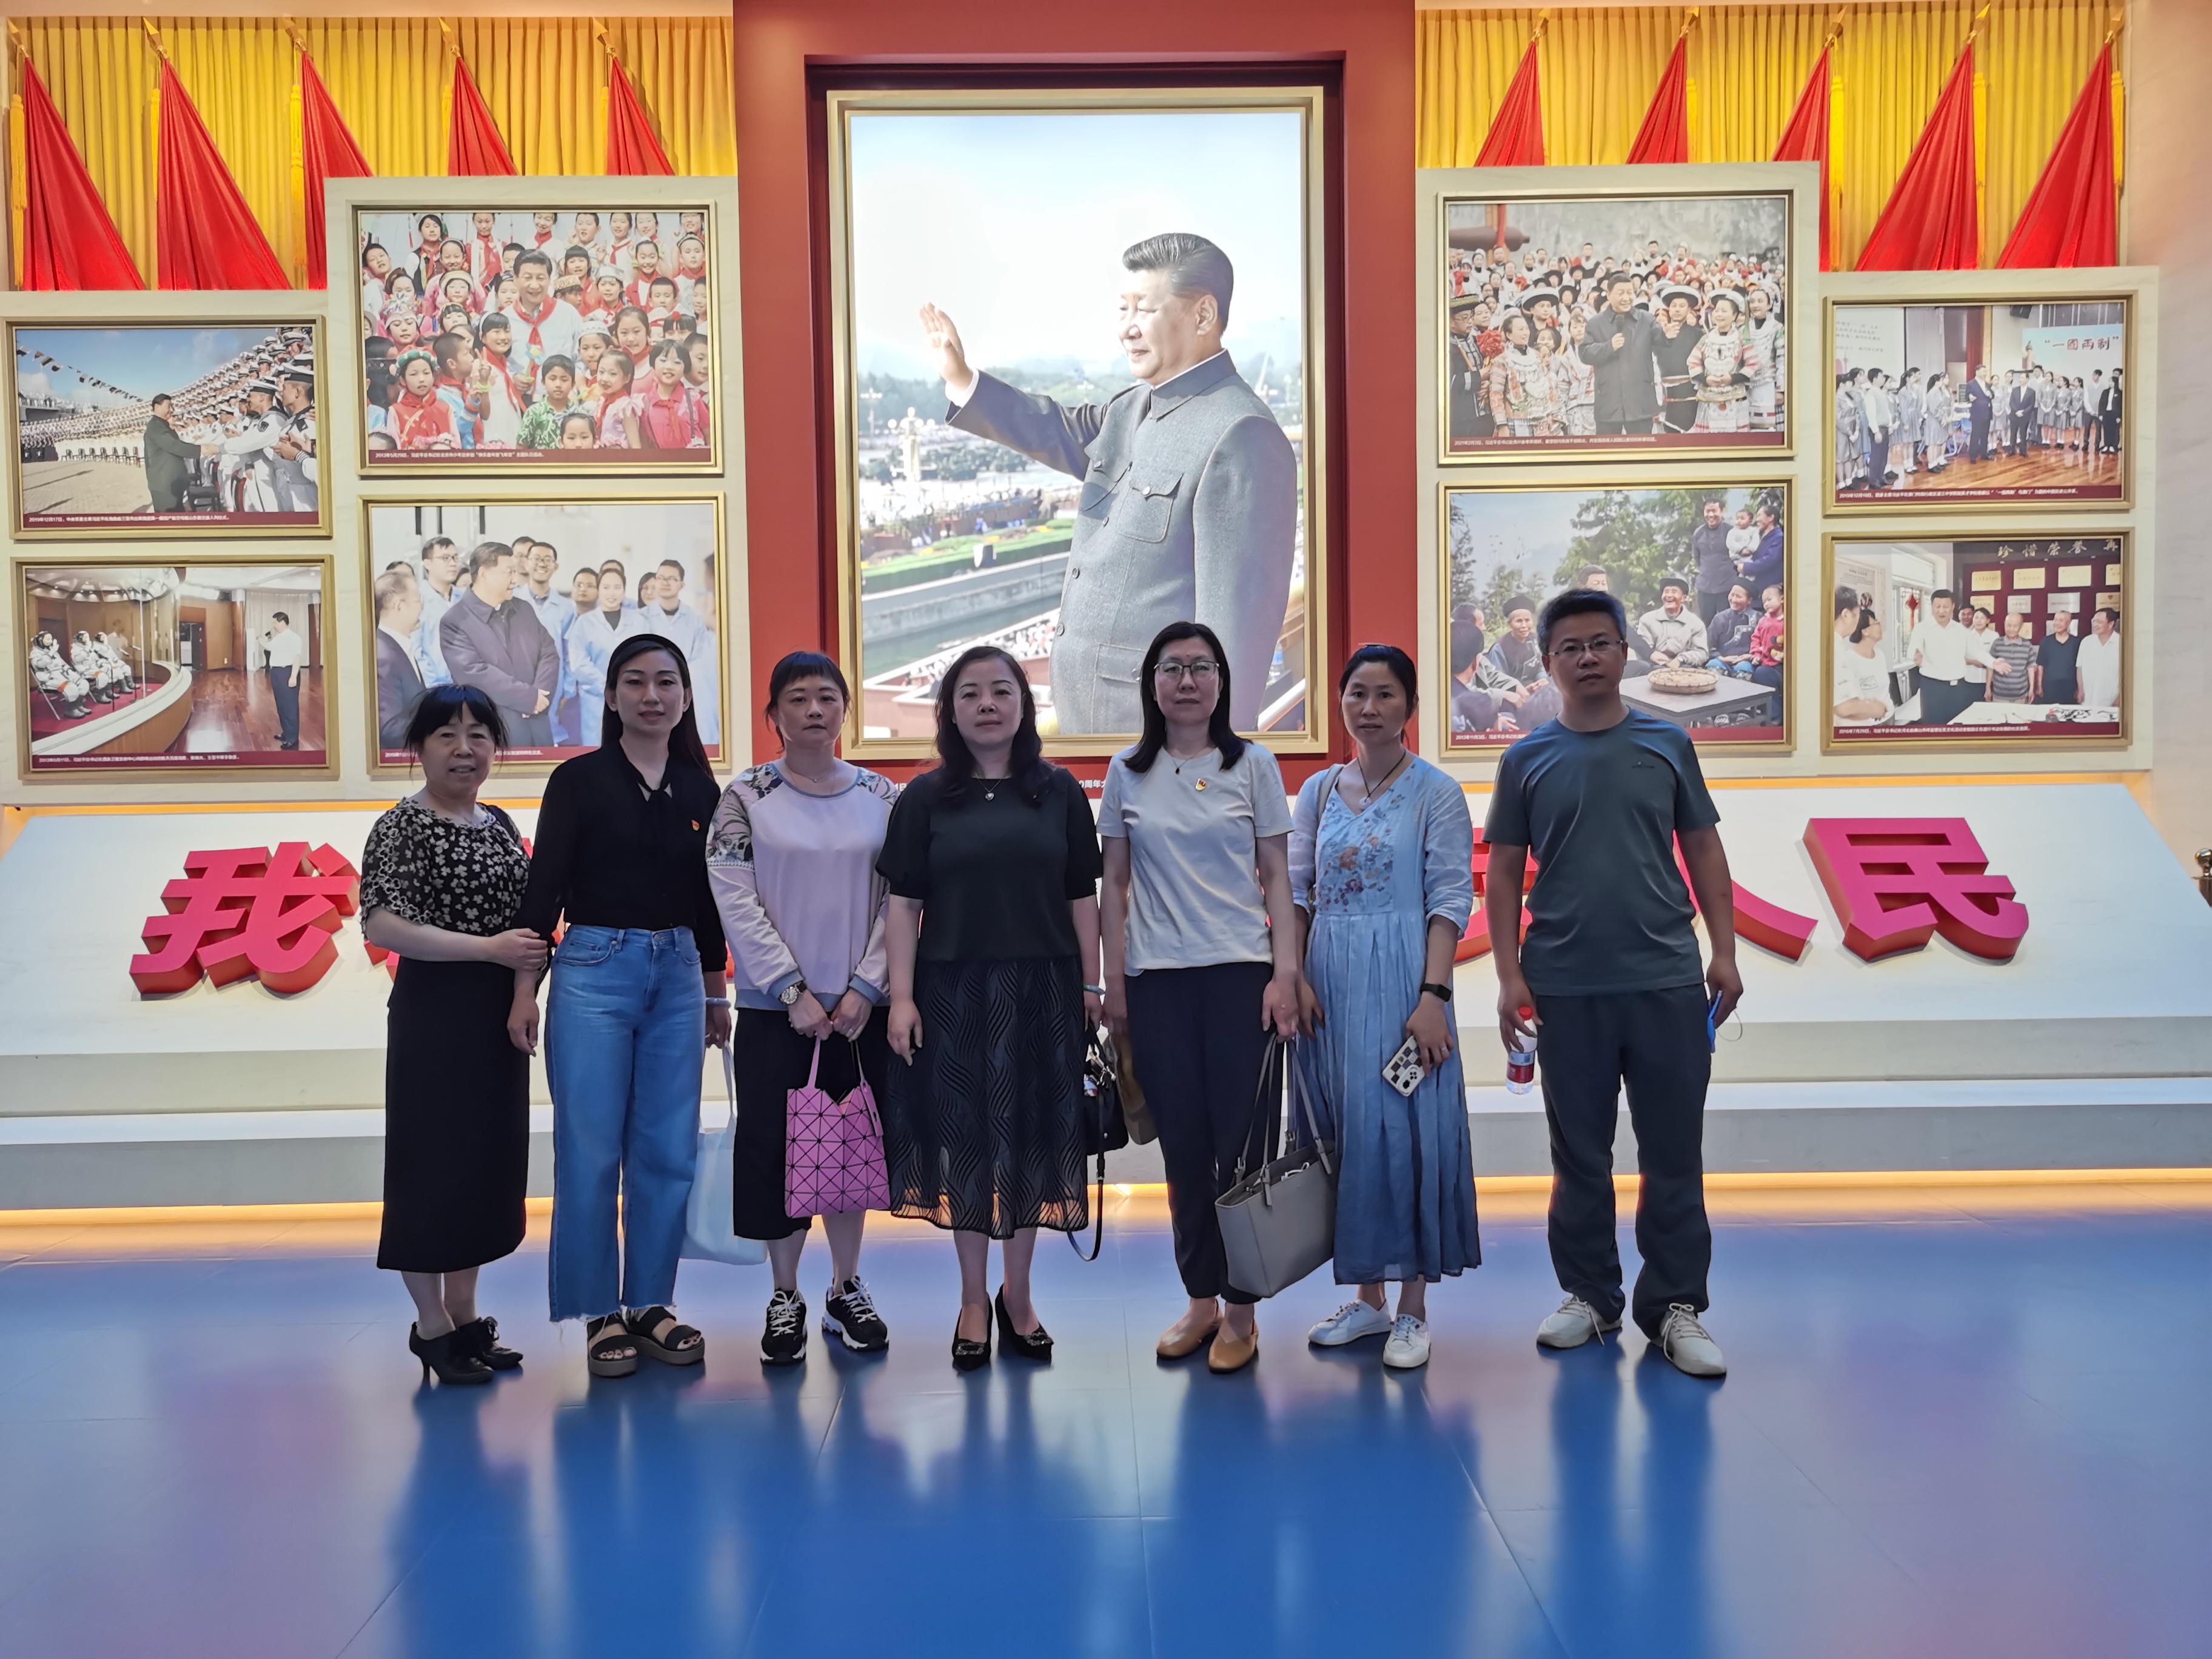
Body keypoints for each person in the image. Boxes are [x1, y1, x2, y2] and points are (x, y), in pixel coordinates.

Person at [1484, 588, 1740, 1378]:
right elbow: (1503, 875)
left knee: (1674, 1154)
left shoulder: (1668, 743)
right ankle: (1590, 1297)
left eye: (1601, 643)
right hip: (1564, 986)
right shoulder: (1526, 759)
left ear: (1627, 653)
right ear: (1548, 662)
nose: (1587, 658)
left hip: (1665, 981)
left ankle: (1675, 1307)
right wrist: (1508, 974)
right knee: (1579, 1158)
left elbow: (1704, 851)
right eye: (1570, 647)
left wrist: (1724, 953)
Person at [920, 232, 1296, 734]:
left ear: (1204, 315)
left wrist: (1212, 762)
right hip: (1088, 730)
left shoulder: (1241, 433)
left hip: (1154, 741)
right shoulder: (1131, 408)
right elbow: (1054, 429)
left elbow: (1233, 640)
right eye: (1123, 308)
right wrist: (962, 378)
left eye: (1144, 308)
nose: (1126, 328)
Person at [877, 647, 1104, 1371]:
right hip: (952, 993)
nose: (986, 704)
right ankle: (973, 1299)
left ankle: (1019, 1296)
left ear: (1023, 705)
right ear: (949, 711)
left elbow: (1083, 898)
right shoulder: (924, 798)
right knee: (967, 1147)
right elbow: (902, 905)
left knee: (1032, 1142)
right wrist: (901, 998)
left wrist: (1092, 988)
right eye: (969, 693)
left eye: (1001, 691)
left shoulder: (1059, 791)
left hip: (1044, 992)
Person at [515, 633, 731, 1379]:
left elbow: (710, 905)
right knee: (590, 1149)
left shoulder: (702, 790)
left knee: (668, 1149)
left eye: (666, 682)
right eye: (634, 682)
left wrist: (715, 991)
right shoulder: (577, 781)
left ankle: (648, 1303)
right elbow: (543, 892)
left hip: (679, 975)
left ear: (687, 697)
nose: (651, 695)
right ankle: (596, 1311)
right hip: (592, 971)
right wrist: (524, 991)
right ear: (609, 697)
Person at [1099, 623, 1301, 1375]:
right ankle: (1201, 1301)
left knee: (1241, 1149)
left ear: (1222, 680)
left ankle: (1242, 1311)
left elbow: (1277, 877)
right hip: (1156, 983)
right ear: (1151, 683)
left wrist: (1284, 974)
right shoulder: (1127, 771)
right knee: (1183, 1151)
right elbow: (1113, 885)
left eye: (1201, 667)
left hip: (1240, 978)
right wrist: (1113, 983)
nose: (1187, 681)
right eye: (1172, 668)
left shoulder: (1253, 764)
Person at [707, 652, 900, 1364]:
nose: (815, 709)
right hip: (774, 1011)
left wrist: (866, 988)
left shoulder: (883, 796)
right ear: (774, 715)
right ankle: (784, 1293)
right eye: (798, 698)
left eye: (827, 696)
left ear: (845, 709)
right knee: (775, 1152)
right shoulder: (745, 797)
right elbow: (734, 897)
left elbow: (902, 901)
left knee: (850, 1147)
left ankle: (846, 1287)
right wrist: (790, 989)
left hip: (859, 1012)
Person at [360, 686, 548, 1386]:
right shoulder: (402, 826)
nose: (464, 749)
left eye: (479, 735)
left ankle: (466, 1315)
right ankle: (431, 1325)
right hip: (435, 1014)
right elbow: (383, 924)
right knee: (430, 1166)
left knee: (480, 1166)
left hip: (498, 1016)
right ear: (419, 748)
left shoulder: (497, 823)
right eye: (447, 735)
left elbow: (528, 925)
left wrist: (522, 989)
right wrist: (486, 951)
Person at [1295, 645, 1477, 1372]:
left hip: (1406, 981)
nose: (1369, 708)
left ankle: (1413, 1309)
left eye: (1386, 695)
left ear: (1411, 707)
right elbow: (1298, 891)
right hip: (1328, 986)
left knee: (1407, 1132)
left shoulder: (1437, 792)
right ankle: (1368, 1300)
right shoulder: (1316, 792)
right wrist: (1292, 974)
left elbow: (1450, 899)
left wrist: (1434, 996)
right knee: (1346, 1134)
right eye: (1357, 694)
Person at [438, 541, 559, 747]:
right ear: (484, 574)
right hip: (495, 733)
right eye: (509, 572)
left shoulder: (523, 609)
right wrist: (529, 698)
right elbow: (475, 674)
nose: (515, 580)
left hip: (539, 730)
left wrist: (540, 698)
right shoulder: (455, 621)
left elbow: (549, 654)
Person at [1579, 269, 1660, 435]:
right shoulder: (1595, 323)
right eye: (1621, 293)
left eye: (1630, 293)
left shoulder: (1647, 320)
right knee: (1606, 450)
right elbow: (1585, 353)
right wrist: (1609, 347)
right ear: (1609, 295)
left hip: (1640, 402)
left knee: (1642, 449)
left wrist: (1668, 336)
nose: (1626, 297)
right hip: (1609, 402)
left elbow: (1662, 345)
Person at [569, 561, 644, 739]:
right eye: (606, 587)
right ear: (598, 590)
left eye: (617, 588)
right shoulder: (584, 623)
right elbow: (579, 663)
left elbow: (646, 657)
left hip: (632, 698)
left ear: (624, 590)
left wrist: (628, 686)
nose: (612, 593)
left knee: (631, 745)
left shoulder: (639, 621)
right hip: (595, 701)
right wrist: (608, 685)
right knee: (597, 746)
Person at [1906, 588, 1990, 726]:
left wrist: (1993, 663)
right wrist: (1915, 656)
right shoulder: (1922, 628)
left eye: (1945, 607)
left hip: (1959, 688)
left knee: (1957, 726)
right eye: (1938, 606)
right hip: (1932, 687)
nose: (1941, 611)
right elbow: (1913, 648)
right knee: (1933, 728)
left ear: (1953, 607)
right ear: (1932, 606)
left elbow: (1976, 651)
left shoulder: (1961, 630)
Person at [373, 568, 428, 749]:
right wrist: (439, 731)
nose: (422, 607)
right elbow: (391, 729)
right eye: (418, 601)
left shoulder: (396, 646)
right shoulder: (384, 657)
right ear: (400, 606)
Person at [141, 394, 203, 512]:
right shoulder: (156, 426)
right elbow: (173, 446)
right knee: (168, 519)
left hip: (170, 485)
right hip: (164, 486)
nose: (172, 410)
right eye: (168, 406)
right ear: (157, 407)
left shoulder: (162, 426)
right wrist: (200, 450)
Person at [1832, 610, 1894, 724]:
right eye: (1876, 622)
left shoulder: (1880, 654)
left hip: (1890, 717)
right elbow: (1848, 702)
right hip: (1869, 723)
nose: (1880, 625)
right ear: (1865, 632)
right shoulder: (1848, 659)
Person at [1637, 577, 1709, 668]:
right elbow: (1643, 649)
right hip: (1654, 666)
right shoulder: (1647, 620)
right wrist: (1661, 661)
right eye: (1666, 592)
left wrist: (1681, 659)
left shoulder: (1696, 623)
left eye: (1674, 592)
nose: (1669, 595)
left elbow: (1702, 653)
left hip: (1684, 668)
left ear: (1683, 598)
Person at [264, 610, 306, 750]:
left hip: (287, 672)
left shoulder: (294, 638)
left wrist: (293, 676)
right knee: (281, 705)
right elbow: (269, 647)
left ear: (282, 622)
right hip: (276, 672)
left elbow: (297, 658)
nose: (273, 625)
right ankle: (286, 733)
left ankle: (292, 739)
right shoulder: (278, 638)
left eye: (275, 623)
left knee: (290, 706)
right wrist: (260, 639)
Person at [1690, 497, 1735, 622]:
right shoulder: (1698, 533)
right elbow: (1697, 558)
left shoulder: (1731, 532)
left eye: (1714, 511)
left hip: (1727, 587)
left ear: (1722, 511)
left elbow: (1738, 558)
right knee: (1706, 623)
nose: (1711, 515)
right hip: (1705, 588)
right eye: (1707, 511)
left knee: (1727, 623)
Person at [2076, 608, 2122, 712]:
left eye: (2100, 622)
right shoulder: (2086, 642)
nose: (2095, 625)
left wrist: (2120, 696)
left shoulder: (2121, 643)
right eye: (2094, 621)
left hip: (2111, 701)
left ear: (2111, 624)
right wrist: (2081, 689)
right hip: (2088, 699)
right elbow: (2080, 667)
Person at [2034, 607, 2083, 704]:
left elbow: (2079, 668)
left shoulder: (2077, 642)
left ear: (2068, 623)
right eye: (2055, 620)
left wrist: (2080, 688)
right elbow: (2041, 666)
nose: (2057, 623)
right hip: (2049, 687)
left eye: (2061, 620)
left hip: (2070, 687)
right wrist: (2039, 686)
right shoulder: (2046, 641)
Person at [1706, 584, 1757, 672]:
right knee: (1713, 667)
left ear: (1749, 600)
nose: (1734, 600)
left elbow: (1763, 645)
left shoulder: (1759, 619)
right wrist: (1721, 658)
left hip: (1746, 662)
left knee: (1743, 670)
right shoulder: (1719, 618)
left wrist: (1752, 656)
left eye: (1739, 597)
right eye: (1732, 595)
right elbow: (1709, 645)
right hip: (1721, 661)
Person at [1987, 610, 2036, 704]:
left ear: (2021, 626)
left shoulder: (2027, 645)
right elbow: (1990, 667)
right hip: (2000, 695)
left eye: (2015, 626)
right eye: (2009, 625)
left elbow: (2031, 668)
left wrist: (2031, 689)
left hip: (2021, 695)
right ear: (2004, 624)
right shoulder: (1997, 643)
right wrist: (1988, 688)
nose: (2011, 629)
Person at [1748, 586, 1786, 688]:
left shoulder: (1787, 621)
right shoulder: (1763, 621)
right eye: (1764, 602)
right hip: (1766, 662)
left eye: (1769, 600)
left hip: (1783, 663)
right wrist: (1756, 654)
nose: (1766, 604)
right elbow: (1756, 638)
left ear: (1782, 599)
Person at [1963, 364, 1994, 463]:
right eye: (1983, 371)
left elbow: (1992, 395)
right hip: (1977, 413)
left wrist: (1991, 394)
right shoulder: (1971, 384)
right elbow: (1966, 397)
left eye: (1986, 371)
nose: (1985, 373)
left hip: (1987, 412)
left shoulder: (1987, 384)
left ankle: (1984, 454)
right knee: (1976, 435)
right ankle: (1973, 455)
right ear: (1977, 372)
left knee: (1985, 435)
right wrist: (1970, 398)